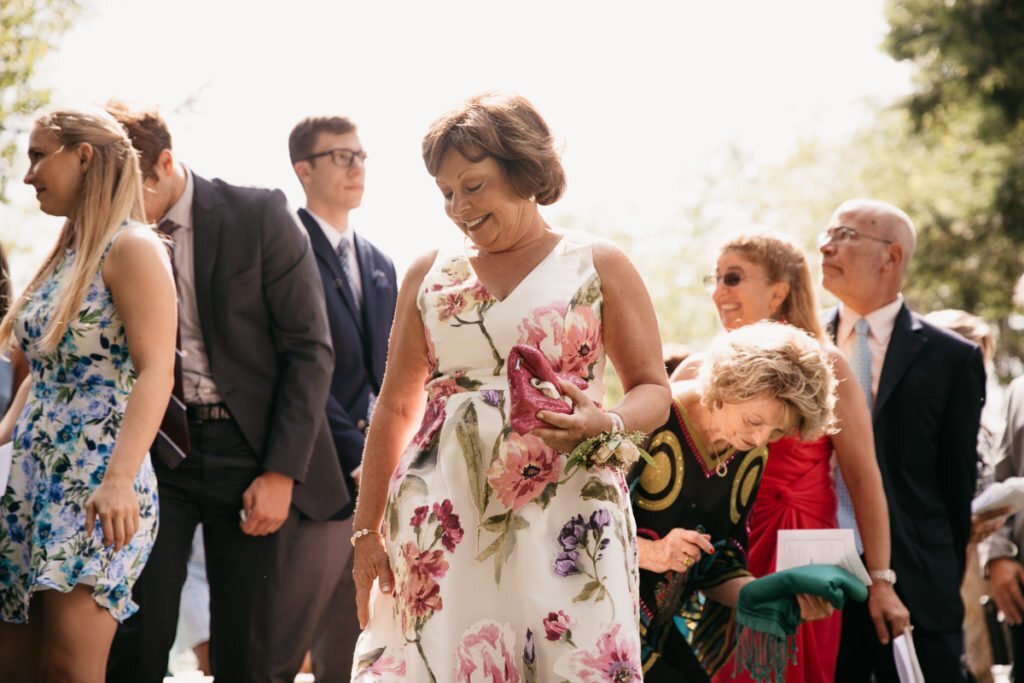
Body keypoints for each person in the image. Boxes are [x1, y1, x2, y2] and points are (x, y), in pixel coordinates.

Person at [349, 92, 670, 682]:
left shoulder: (598, 264)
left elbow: (653, 388)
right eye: (446, 191)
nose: (457, 206)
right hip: (440, 518)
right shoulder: (428, 273)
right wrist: (367, 530)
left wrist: (609, 422)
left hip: (568, 515)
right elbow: (396, 404)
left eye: (473, 186)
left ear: (524, 172)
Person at [104, 102, 345, 683]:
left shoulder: (258, 213)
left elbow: (309, 350)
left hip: (250, 452)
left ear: (163, 164)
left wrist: (282, 472)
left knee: (247, 652)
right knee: (139, 636)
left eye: (125, 188)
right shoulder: (111, 236)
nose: (114, 207)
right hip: (159, 451)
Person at [0, 106, 176, 681]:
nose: (28, 176)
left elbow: (156, 372)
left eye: (36, 156)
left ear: (83, 156)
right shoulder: (65, 254)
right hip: (29, 477)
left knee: (68, 669)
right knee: (16, 665)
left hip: (97, 480)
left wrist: (120, 479)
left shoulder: (134, 249)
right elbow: (43, 368)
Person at [683, 233, 907, 683]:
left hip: (802, 550)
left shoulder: (827, 365)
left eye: (732, 278)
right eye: (715, 279)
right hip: (725, 552)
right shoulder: (695, 371)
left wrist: (881, 581)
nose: (717, 291)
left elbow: (864, 479)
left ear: (779, 291)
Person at [820, 198, 986, 682]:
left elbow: (957, 485)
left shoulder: (952, 358)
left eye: (845, 234)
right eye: (826, 235)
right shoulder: (801, 345)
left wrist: (938, 574)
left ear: (891, 256)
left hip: (919, 583)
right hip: (818, 576)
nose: (826, 246)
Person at [255, 115, 397, 682]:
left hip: (375, 490)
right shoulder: (280, 249)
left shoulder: (382, 263)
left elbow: (391, 375)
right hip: (312, 480)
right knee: (279, 653)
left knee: (357, 654)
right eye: (342, 156)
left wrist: (383, 455)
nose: (357, 167)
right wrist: (353, 449)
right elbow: (292, 367)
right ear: (303, 169)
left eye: (362, 155)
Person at [633, 321, 839, 681]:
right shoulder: (650, 417)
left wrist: (775, 594)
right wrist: (652, 553)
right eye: (753, 421)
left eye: (777, 431)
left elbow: (718, 564)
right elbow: (573, 530)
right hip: (596, 623)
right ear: (726, 385)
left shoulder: (749, 454)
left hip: (656, 631)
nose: (760, 440)